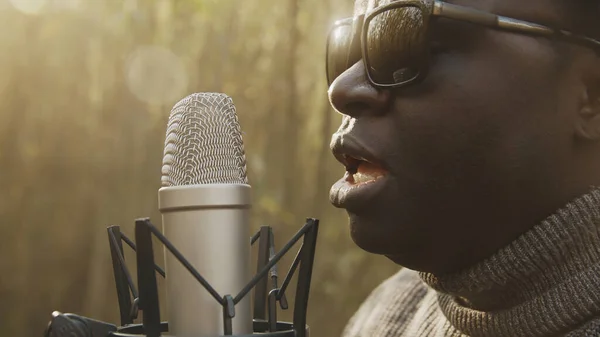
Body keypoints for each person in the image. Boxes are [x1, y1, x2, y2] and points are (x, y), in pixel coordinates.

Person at [326, 0, 600, 336]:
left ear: (591, 97)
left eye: (402, 41)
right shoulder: (386, 313)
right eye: (345, 52)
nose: (341, 88)